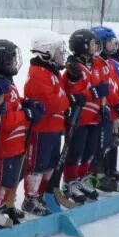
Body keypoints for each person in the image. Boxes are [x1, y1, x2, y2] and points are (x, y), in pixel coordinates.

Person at [60, 29, 119, 203]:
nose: (96, 47)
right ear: (83, 46)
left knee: (90, 151)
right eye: (93, 44)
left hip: (95, 117)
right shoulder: (74, 68)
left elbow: (103, 86)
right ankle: (70, 182)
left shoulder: (94, 64)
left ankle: (82, 179)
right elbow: (75, 95)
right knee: (76, 151)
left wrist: (106, 105)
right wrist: (94, 91)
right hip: (79, 118)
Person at [0, 40, 39, 225]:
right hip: (4, 143)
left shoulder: (7, 81)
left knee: (15, 175)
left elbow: (14, 102)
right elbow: (5, 121)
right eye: (10, 59)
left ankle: (7, 204)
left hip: (16, 142)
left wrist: (25, 104)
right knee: (2, 179)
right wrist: (26, 114)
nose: (14, 62)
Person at [22, 34, 68, 215]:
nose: (61, 55)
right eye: (57, 52)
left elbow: (62, 98)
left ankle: (40, 194)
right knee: (37, 164)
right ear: (45, 53)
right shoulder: (38, 73)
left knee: (51, 163)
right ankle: (30, 198)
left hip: (55, 127)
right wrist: (64, 100)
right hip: (41, 129)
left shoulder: (52, 73)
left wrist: (63, 99)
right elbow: (52, 103)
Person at [90, 26, 119, 192]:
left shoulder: (107, 62)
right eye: (109, 43)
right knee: (101, 144)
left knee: (110, 142)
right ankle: (98, 175)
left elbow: (118, 86)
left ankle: (108, 171)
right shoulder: (96, 64)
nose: (113, 46)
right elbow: (105, 90)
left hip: (112, 110)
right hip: (102, 112)